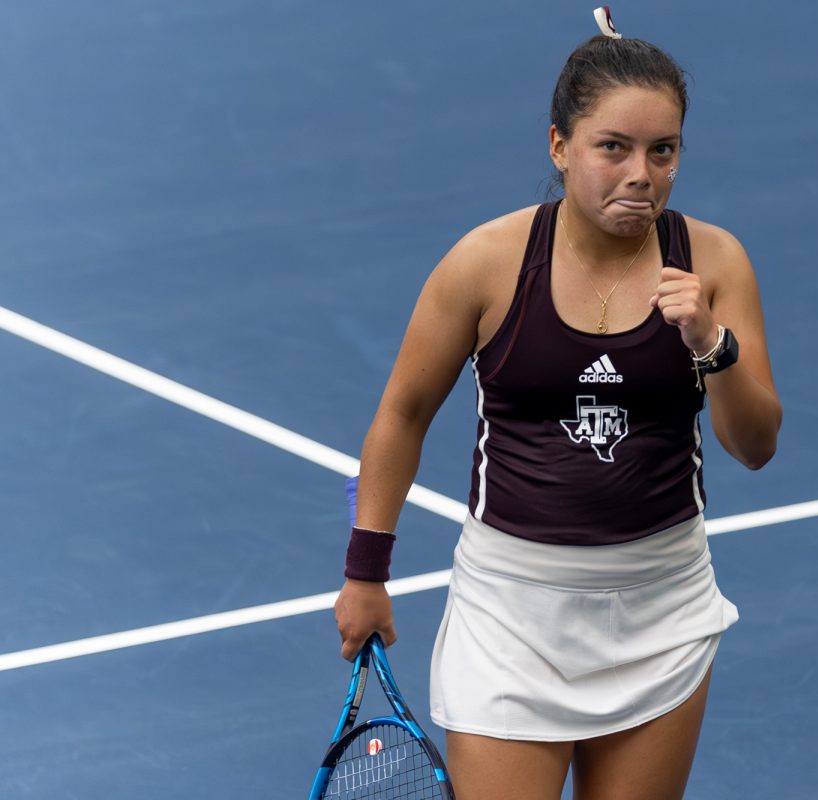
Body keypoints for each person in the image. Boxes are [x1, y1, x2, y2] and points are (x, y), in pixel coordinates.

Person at [333, 10, 781, 799]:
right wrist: (366, 573)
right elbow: (402, 412)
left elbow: (755, 443)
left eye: (662, 150)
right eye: (613, 147)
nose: (640, 173)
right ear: (559, 146)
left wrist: (710, 341)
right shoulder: (487, 264)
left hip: (663, 607)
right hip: (511, 616)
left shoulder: (712, 261)